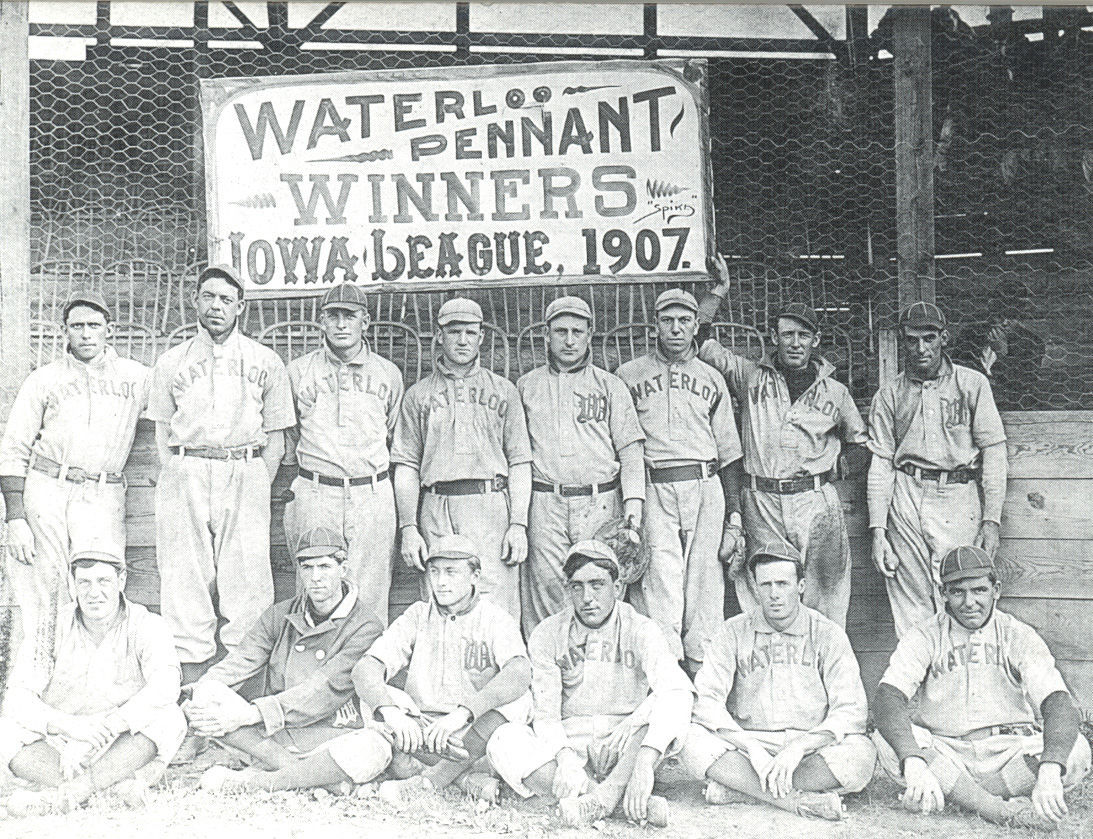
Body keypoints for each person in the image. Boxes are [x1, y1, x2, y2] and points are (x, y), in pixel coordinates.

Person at [698, 259, 868, 627]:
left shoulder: (835, 391)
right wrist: (718, 292)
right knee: (764, 596)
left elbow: (861, 443)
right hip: (761, 502)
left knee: (825, 599)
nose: (795, 342)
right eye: (787, 334)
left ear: (815, 341)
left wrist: (838, 467)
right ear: (774, 338)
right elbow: (699, 342)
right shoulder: (749, 375)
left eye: (803, 335)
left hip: (815, 503)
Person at [145, 264, 296, 680]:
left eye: (226, 299)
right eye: (209, 296)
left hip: (244, 466)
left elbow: (277, 438)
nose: (216, 306)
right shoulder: (171, 361)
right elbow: (161, 432)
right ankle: (190, 671)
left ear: (240, 307)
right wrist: (179, 472)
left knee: (247, 573)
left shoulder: (265, 360)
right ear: (195, 300)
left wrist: (256, 480)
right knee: (184, 571)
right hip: (188, 466)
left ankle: (243, 676)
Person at [872, 545, 1091, 829]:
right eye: (957, 592)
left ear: (995, 590)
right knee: (886, 740)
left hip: (1008, 751)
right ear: (943, 593)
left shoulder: (1017, 634)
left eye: (979, 590)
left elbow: (1057, 701)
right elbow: (888, 697)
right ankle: (996, 809)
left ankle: (960, 795)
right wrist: (914, 761)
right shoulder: (924, 636)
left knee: (1076, 750)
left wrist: (1049, 769)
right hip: (947, 751)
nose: (969, 602)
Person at [487, 540, 694, 828]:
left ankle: (599, 796)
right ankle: (614, 801)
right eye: (577, 587)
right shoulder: (548, 633)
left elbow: (676, 689)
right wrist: (564, 758)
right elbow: (546, 714)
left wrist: (644, 757)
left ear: (617, 587)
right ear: (568, 590)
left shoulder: (641, 628)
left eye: (597, 585)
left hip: (623, 743)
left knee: (672, 704)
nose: (587, 597)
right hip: (572, 741)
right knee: (503, 739)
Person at [0, 289, 148, 680]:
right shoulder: (44, 379)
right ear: (64, 331)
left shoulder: (136, 377)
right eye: (77, 326)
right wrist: (15, 517)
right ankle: (39, 679)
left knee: (100, 584)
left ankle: (97, 680)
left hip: (102, 491)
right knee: (43, 589)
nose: (85, 333)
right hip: (48, 487)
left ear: (109, 330)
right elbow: (13, 447)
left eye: (94, 325)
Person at [680, 541, 876, 822]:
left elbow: (850, 710)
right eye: (766, 585)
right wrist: (751, 748)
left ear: (801, 585)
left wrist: (799, 747)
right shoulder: (732, 632)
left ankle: (743, 790)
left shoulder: (828, 633)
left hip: (810, 746)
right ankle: (794, 800)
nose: (774, 594)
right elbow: (706, 702)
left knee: (862, 755)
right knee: (689, 740)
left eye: (783, 584)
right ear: (755, 588)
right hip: (750, 743)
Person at [188, 527, 387, 794]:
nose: (315, 578)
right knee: (208, 694)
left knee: (375, 746)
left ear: (343, 568)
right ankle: (315, 778)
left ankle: (256, 781)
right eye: (307, 568)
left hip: (332, 731)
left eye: (325, 567)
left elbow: (324, 688)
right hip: (277, 731)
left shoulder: (366, 626)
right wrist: (195, 695)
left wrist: (251, 714)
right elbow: (240, 662)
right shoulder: (280, 615)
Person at [615, 289, 744, 675]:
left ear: (695, 325)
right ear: (655, 325)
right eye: (667, 321)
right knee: (660, 581)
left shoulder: (712, 377)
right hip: (654, 485)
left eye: (684, 321)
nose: (676, 329)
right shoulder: (628, 375)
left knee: (705, 583)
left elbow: (730, 452)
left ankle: (702, 677)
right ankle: (666, 675)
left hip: (705, 484)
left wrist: (735, 516)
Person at [0, 550, 185, 817]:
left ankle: (72, 793)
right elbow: (17, 697)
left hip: (118, 744)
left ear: (121, 581)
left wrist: (105, 729)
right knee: (4, 731)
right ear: (72, 584)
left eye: (103, 581)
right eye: (84, 582)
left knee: (170, 717)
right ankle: (108, 790)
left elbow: (165, 686)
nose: (93, 592)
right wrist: (70, 726)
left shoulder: (148, 625)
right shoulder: (50, 627)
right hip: (59, 747)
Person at [350, 534, 532, 801]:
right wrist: (393, 714)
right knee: (374, 698)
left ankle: (429, 781)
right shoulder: (417, 614)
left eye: (451, 572)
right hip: (423, 733)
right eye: (434, 572)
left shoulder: (495, 618)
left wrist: (463, 714)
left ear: (475, 576)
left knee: (520, 701)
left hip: (472, 732)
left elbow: (519, 673)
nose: (441, 581)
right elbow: (365, 668)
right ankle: (462, 778)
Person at [867, 302, 1008, 638]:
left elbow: (994, 451)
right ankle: (919, 673)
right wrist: (878, 531)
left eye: (929, 338)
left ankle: (959, 672)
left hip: (957, 494)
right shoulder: (889, 394)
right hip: (906, 494)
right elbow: (881, 463)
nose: (921, 348)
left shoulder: (972, 383)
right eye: (912, 340)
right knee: (911, 604)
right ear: (902, 341)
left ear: (944, 338)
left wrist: (991, 520)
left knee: (961, 591)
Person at [391, 298, 532, 620]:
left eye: (471, 332)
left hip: (490, 505)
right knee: (441, 602)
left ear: (481, 337)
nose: (463, 340)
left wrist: (518, 524)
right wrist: (409, 527)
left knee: (497, 606)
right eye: (454, 332)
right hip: (437, 506)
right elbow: (406, 466)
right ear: (439, 336)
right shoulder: (418, 395)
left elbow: (520, 463)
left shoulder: (504, 390)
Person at [516, 295, 645, 635]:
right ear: (547, 335)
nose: (570, 340)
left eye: (577, 331)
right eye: (561, 332)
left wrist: (633, 514)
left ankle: (601, 664)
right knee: (549, 590)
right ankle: (550, 663)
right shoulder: (526, 386)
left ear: (590, 335)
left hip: (600, 503)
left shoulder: (610, 385)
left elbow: (631, 453)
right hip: (546, 502)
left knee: (598, 589)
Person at [283, 283, 403, 625]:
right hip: (316, 491)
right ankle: (313, 656)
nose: (340, 324)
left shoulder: (388, 373)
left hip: (371, 492)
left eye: (349, 316)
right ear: (321, 321)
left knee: (370, 593)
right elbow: (291, 435)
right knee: (315, 586)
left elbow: (392, 433)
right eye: (332, 315)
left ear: (365, 321)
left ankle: (366, 659)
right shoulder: (299, 371)